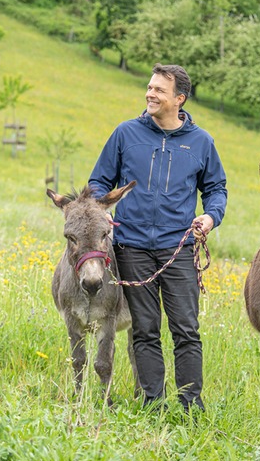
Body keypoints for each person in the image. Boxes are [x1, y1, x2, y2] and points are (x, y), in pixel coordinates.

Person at [89, 63, 227, 412]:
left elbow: (216, 189)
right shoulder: (125, 134)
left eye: (159, 90)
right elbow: (98, 182)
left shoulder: (201, 142)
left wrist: (210, 217)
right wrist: (101, 208)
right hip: (131, 246)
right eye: (149, 88)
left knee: (186, 329)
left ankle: (191, 406)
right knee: (145, 330)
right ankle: (154, 404)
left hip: (178, 249)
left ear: (178, 99)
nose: (150, 94)